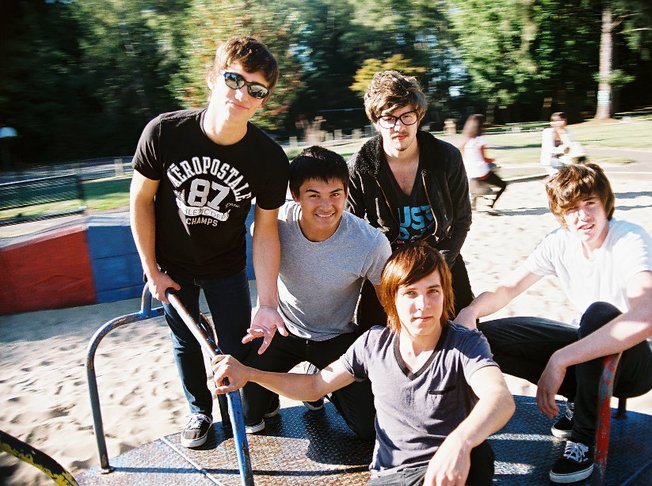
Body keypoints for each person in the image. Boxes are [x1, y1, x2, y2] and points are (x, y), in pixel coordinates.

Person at [213, 242, 515, 485]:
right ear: (391, 300)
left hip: (454, 466)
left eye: (432, 291)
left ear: (445, 294)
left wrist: (460, 442)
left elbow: (499, 398)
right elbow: (315, 385)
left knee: (478, 456)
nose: (423, 305)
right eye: (411, 293)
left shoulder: (464, 344)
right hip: (394, 473)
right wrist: (249, 373)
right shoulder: (373, 344)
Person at [455, 163, 652, 483]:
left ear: (605, 203)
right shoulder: (560, 242)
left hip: (638, 364)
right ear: (561, 214)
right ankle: (577, 403)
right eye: (571, 209)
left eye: (590, 204)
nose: (582, 216)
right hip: (589, 355)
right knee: (485, 337)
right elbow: (507, 289)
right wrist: (469, 314)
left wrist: (561, 359)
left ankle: (584, 439)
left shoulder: (629, 239)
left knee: (598, 314)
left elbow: (647, 317)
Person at [129, 35, 289, 449]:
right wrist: (151, 270)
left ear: (263, 101)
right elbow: (141, 200)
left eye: (256, 90)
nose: (242, 94)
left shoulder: (269, 158)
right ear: (213, 78)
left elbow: (265, 230)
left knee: (235, 348)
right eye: (234, 79)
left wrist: (268, 302)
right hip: (173, 265)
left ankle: (238, 410)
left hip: (225, 266)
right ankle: (198, 411)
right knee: (185, 341)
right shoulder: (165, 132)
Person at [240, 145, 391, 438]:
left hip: (336, 336)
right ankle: (271, 396)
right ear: (295, 195)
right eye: (314, 195)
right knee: (250, 414)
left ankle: (316, 377)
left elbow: (389, 301)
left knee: (366, 428)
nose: (326, 206)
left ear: (346, 193)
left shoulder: (370, 242)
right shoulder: (274, 224)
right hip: (282, 328)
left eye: (335, 194)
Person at [347, 70, 474, 331]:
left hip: (442, 255)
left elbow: (462, 219)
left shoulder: (445, 157)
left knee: (464, 331)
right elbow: (351, 228)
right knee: (373, 336)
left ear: (419, 117)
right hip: (387, 266)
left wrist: (439, 265)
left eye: (407, 116)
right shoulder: (361, 166)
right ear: (376, 121)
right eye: (389, 118)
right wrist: (381, 271)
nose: (399, 127)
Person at [460, 114, 507, 213]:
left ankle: (475, 199)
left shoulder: (466, 139)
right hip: (480, 171)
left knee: (483, 180)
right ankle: (490, 205)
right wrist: (493, 159)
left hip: (469, 171)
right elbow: (484, 159)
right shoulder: (480, 139)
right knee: (503, 185)